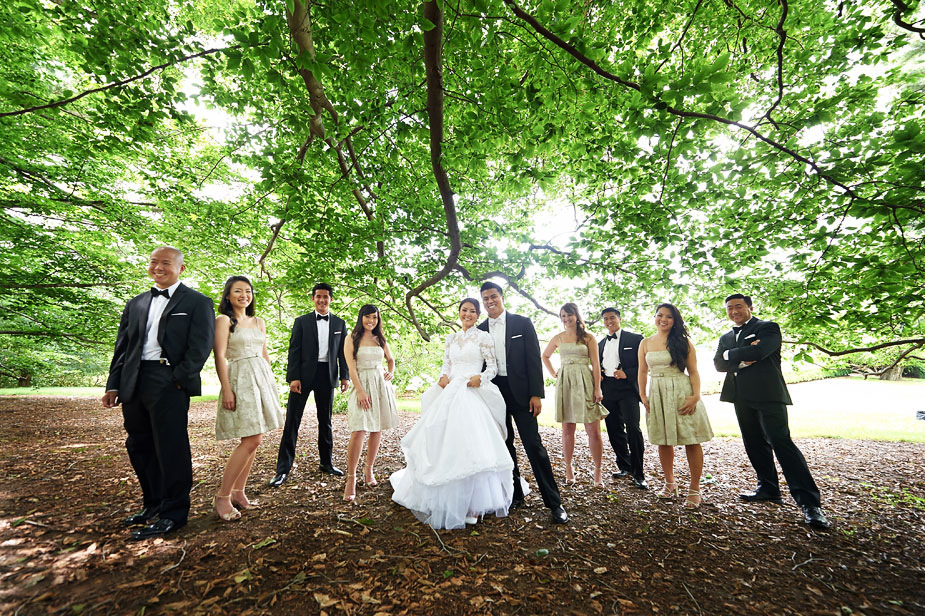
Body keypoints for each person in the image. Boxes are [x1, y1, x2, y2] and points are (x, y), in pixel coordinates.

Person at [102, 246, 215, 539]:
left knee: (171, 446)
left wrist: (178, 378)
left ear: (181, 268)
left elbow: (201, 345)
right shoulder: (136, 303)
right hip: (133, 380)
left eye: (166, 263)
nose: (158, 267)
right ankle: (152, 504)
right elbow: (122, 347)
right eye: (154, 262)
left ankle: (174, 513)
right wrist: (113, 384)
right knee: (139, 445)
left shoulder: (197, 302)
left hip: (168, 380)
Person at [390, 298, 514, 529]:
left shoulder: (483, 337)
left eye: (473, 311)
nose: (468, 314)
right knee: (443, 441)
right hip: (450, 391)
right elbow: (446, 364)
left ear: (478, 316)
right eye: (464, 310)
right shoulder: (451, 338)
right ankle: (444, 499)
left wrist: (482, 377)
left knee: (471, 444)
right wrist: (442, 377)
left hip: (471, 390)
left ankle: (473, 505)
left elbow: (493, 367)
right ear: (459, 313)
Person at [714, 294, 830, 529]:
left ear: (750, 307)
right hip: (740, 397)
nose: (734, 311)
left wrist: (732, 355)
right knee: (754, 443)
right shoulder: (726, 336)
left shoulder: (767, 328)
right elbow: (718, 363)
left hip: (768, 395)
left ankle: (810, 504)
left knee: (781, 443)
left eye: (738, 306)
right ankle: (768, 488)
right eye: (729, 308)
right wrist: (738, 354)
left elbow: (759, 353)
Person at [478, 282, 568, 524]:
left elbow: (534, 360)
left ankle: (554, 503)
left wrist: (536, 393)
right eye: (485, 298)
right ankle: (515, 494)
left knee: (533, 446)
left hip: (523, 394)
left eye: (493, 296)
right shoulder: (480, 329)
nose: (490, 301)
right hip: (494, 394)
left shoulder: (522, 323)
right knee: (505, 447)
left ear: (502, 297)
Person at [212, 276, 284, 520]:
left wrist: (270, 386)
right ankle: (222, 497)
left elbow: (264, 356)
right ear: (228, 295)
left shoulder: (258, 321)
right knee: (251, 439)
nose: (244, 295)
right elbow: (220, 357)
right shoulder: (223, 320)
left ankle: (238, 492)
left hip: (260, 379)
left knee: (257, 438)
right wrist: (227, 389)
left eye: (247, 291)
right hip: (239, 378)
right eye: (237, 291)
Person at [269, 283, 349, 487]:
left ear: (331, 299)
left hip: (327, 375)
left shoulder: (340, 324)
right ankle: (283, 469)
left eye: (326, 296)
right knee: (292, 421)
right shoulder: (301, 322)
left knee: (326, 421)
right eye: (318, 296)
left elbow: (343, 353)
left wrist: (344, 376)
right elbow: (293, 350)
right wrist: (293, 377)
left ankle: (326, 463)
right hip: (302, 377)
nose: (322, 300)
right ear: (313, 298)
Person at [637, 303, 713, 509]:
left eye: (669, 316)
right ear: (654, 317)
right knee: (663, 440)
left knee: (691, 439)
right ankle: (670, 483)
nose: (663, 319)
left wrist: (695, 396)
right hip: (657, 392)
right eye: (660, 315)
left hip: (681, 391)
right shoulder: (645, 343)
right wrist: (643, 395)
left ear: (675, 320)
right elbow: (642, 372)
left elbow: (694, 372)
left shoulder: (683, 342)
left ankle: (695, 488)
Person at [541, 303, 608, 488]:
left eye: (569, 315)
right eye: (562, 315)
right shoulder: (558, 338)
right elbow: (544, 356)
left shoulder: (588, 338)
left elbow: (595, 364)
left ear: (576, 316)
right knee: (567, 428)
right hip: (566, 383)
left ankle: (597, 470)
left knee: (593, 429)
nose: (566, 319)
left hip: (585, 381)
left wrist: (597, 388)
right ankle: (569, 469)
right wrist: (555, 373)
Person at [343, 304, 399, 502]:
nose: (371, 321)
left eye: (374, 317)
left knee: (377, 429)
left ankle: (369, 470)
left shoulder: (380, 339)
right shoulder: (352, 338)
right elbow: (351, 367)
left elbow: (390, 360)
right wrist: (359, 391)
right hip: (361, 384)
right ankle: (351, 477)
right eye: (367, 317)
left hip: (379, 385)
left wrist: (390, 372)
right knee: (359, 429)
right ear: (361, 318)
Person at [598, 307, 647, 489]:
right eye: (605, 319)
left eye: (612, 317)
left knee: (633, 428)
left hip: (628, 390)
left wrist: (628, 373)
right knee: (614, 429)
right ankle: (624, 465)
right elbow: (598, 364)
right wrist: (600, 374)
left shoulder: (635, 339)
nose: (609, 321)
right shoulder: (600, 343)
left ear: (619, 318)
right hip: (608, 389)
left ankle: (639, 473)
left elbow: (645, 363)